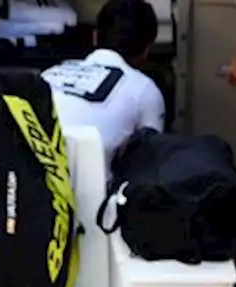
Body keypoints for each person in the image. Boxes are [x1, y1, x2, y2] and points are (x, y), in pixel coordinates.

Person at [40, 0, 166, 179]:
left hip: (24, 194)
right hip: (92, 200)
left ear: (95, 36)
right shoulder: (144, 90)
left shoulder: (48, 75)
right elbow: (151, 164)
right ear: (147, 49)